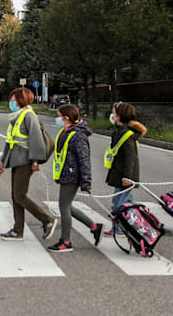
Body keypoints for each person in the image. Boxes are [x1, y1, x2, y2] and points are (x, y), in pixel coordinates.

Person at [0, 87, 57, 241]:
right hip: (15, 160)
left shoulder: (29, 116)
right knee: (15, 195)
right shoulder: (16, 117)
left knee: (19, 195)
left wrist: (35, 161)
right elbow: (10, 141)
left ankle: (47, 220)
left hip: (26, 161)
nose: (11, 102)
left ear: (21, 100)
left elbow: (36, 139)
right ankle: (18, 231)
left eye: (13, 100)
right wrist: (3, 161)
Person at [48, 104, 104, 252]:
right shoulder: (65, 131)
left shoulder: (78, 135)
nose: (57, 118)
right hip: (65, 174)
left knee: (64, 207)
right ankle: (94, 227)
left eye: (59, 115)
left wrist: (86, 182)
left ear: (66, 118)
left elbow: (84, 159)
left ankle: (66, 241)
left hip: (72, 175)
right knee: (68, 206)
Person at [103, 102, 146, 237]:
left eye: (114, 113)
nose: (112, 115)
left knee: (119, 203)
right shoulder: (119, 131)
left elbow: (130, 157)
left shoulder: (126, 134)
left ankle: (120, 229)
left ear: (120, 115)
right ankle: (138, 225)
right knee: (127, 202)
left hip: (125, 176)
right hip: (120, 173)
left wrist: (127, 176)